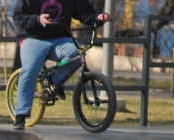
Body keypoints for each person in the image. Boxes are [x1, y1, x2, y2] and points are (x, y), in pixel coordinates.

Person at [11, 0, 111, 129]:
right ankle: (21, 113)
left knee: (78, 53)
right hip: (33, 38)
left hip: (60, 39)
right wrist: (37, 19)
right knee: (30, 70)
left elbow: (84, 12)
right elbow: (18, 17)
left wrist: (98, 17)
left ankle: (54, 80)